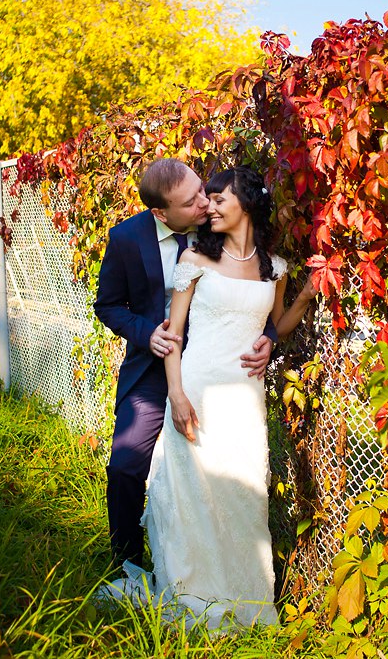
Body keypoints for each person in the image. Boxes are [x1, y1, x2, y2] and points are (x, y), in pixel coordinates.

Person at [140, 166, 317, 630]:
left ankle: (248, 606)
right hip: (196, 391)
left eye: (219, 199)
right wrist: (175, 394)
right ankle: (192, 595)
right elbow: (173, 336)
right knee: (195, 498)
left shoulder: (274, 269)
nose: (209, 207)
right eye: (208, 199)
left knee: (243, 498)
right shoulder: (195, 260)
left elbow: (274, 326)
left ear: (248, 204)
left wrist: (298, 308)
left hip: (244, 400)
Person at [94, 159, 275, 570]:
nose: (203, 202)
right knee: (125, 468)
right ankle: (128, 564)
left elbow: (254, 289)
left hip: (215, 373)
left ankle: (211, 566)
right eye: (191, 199)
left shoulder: (218, 223)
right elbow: (107, 305)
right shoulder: (126, 239)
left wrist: (271, 337)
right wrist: (147, 334)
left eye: (202, 190)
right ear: (161, 212)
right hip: (154, 371)